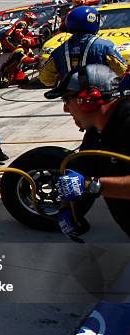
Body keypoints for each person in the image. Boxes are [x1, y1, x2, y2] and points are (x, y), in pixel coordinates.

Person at [43, 64, 130, 238]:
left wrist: (92, 186)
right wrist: (67, 208)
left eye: (67, 100)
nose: (65, 109)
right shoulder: (95, 134)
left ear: (88, 98)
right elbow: (79, 171)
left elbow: (86, 183)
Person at [39, 6, 126, 87]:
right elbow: (122, 70)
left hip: (71, 98)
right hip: (101, 94)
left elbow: (45, 78)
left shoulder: (58, 50)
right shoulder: (105, 46)